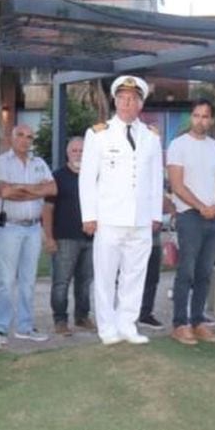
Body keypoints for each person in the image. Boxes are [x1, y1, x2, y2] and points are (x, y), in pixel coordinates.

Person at [79, 75, 163, 345]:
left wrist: (155, 215)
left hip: (140, 219)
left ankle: (127, 324)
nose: (127, 104)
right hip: (109, 218)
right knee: (105, 275)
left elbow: (155, 179)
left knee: (134, 275)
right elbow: (87, 178)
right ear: (115, 101)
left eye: (133, 99)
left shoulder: (151, 136)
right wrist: (89, 216)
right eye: (122, 99)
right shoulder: (98, 134)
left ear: (140, 103)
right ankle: (107, 328)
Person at [166, 99, 215, 344]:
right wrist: (202, 207)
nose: (200, 120)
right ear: (191, 117)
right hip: (190, 215)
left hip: (214, 215)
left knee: (204, 271)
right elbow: (177, 185)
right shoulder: (178, 145)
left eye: (205, 116)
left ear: (211, 120)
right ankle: (180, 323)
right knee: (187, 271)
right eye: (196, 115)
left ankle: (198, 320)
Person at [0, 124, 56, 342]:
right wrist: (34, 189)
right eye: (20, 135)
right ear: (11, 138)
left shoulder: (39, 163)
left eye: (29, 137)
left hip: (33, 228)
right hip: (9, 227)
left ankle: (25, 326)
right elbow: (4, 192)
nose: (25, 140)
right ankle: (0, 327)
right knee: (6, 280)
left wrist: (21, 188)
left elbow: (52, 189)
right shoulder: (0, 162)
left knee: (28, 281)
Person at [42, 136, 95, 336]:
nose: (78, 154)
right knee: (61, 281)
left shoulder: (94, 177)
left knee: (85, 281)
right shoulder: (57, 177)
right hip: (64, 238)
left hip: (90, 238)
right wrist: (49, 237)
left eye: (82, 151)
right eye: (75, 150)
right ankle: (60, 320)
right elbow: (47, 209)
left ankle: (82, 317)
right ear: (67, 153)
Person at [137, 192, 175, 331]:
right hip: (132, 238)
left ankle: (145, 313)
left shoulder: (155, 184)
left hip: (153, 239)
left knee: (152, 278)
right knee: (130, 277)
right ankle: (125, 313)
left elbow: (167, 206)